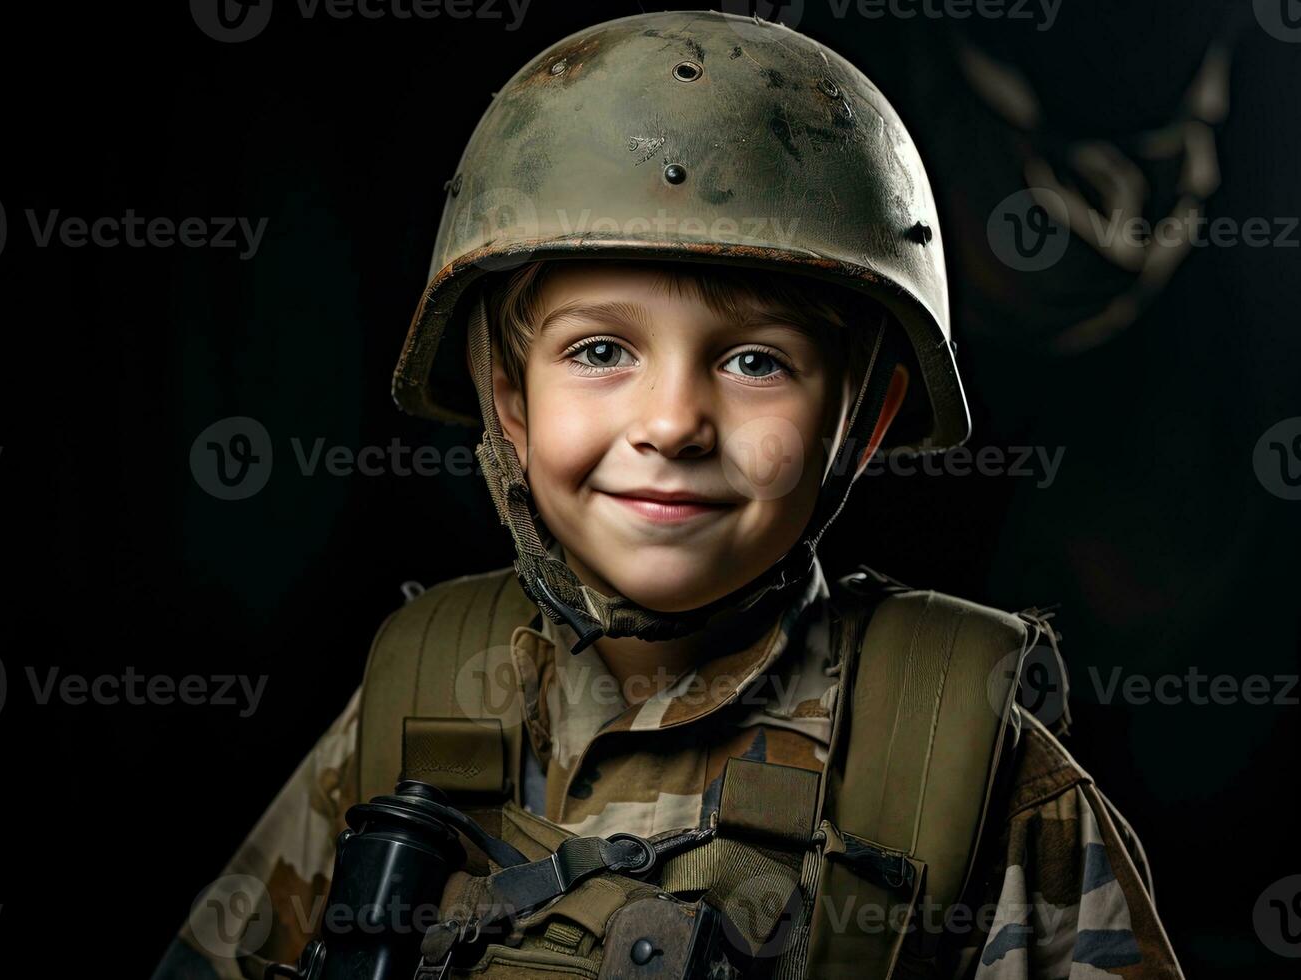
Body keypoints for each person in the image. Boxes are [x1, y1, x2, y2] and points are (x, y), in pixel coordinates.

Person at [153, 11, 1183, 979]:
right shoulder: (421, 688)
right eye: (600, 350)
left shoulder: (961, 753)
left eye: (756, 361)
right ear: (507, 398)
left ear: (863, 419)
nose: (675, 421)